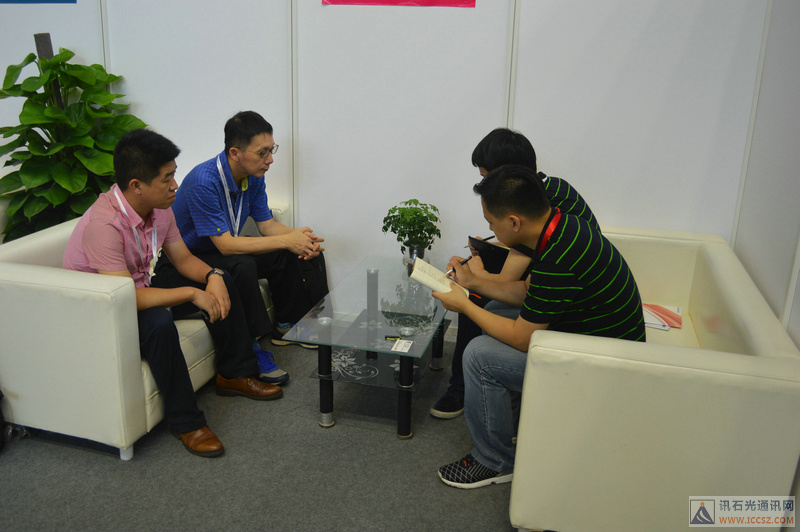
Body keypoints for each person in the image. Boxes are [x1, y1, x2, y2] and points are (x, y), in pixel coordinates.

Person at [63, 129, 283, 458]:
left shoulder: (160, 208)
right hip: (101, 311)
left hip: (139, 288)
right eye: (166, 178)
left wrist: (212, 276)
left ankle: (235, 373)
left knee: (223, 277)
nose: (175, 185)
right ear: (136, 185)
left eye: (174, 175)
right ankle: (187, 422)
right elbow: (123, 297)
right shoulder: (103, 225)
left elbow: (182, 259)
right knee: (158, 323)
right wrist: (192, 294)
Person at [433, 164, 645, 488]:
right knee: (494, 309)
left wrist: (463, 304)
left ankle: (495, 461)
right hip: (592, 340)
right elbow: (526, 291)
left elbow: (522, 338)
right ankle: (512, 427)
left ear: (514, 222)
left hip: (605, 369)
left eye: (491, 222)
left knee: (477, 355)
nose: (489, 229)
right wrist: (473, 282)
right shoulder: (563, 225)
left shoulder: (560, 254)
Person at [430, 127, 600, 419]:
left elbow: (511, 285)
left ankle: (465, 390)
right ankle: (494, 397)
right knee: (481, 296)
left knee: (476, 307)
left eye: (486, 179)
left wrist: (471, 288)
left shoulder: (555, 239)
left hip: (582, 337)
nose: (484, 186)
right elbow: (523, 279)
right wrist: (474, 276)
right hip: (570, 302)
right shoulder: (553, 197)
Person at [167, 111, 328, 378]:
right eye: (263, 152)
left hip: (221, 248)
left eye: (271, 150)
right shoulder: (203, 182)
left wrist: (299, 238)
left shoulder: (254, 175)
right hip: (190, 258)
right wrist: (287, 239)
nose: (270, 159)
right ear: (235, 152)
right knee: (242, 265)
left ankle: (287, 325)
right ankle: (252, 348)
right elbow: (225, 246)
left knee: (285, 250)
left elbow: (267, 226)